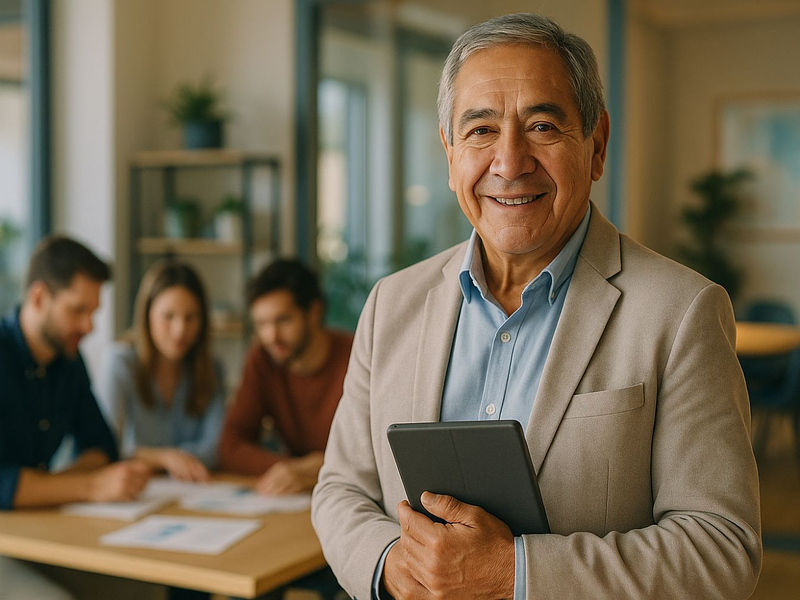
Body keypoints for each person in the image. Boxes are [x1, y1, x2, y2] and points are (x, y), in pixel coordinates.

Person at [311, 13, 761, 600]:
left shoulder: (681, 312)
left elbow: (720, 546)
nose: (509, 161)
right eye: (479, 131)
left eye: (543, 126)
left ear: (596, 146)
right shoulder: (391, 303)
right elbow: (341, 489)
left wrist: (513, 573)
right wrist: (391, 563)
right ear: (450, 155)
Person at [0, 236, 151, 599]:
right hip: (8, 546)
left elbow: (102, 446)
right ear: (39, 297)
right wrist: (91, 486)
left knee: (142, 592)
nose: (89, 326)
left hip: (35, 534)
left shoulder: (68, 362)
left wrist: (47, 487)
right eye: (77, 310)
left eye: (93, 312)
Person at [218, 259, 354, 496]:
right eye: (261, 323)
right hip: (299, 497)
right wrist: (295, 469)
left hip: (351, 495)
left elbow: (381, 453)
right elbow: (230, 446)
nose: (271, 336)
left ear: (314, 312)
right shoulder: (263, 359)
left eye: (283, 320)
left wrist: (323, 467)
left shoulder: (357, 357)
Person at [98, 261, 226, 481]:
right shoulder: (119, 363)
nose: (180, 331)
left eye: (191, 317)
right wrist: (166, 458)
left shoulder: (212, 369)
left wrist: (146, 458)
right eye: (168, 317)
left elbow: (216, 449)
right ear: (147, 317)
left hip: (191, 492)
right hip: (134, 492)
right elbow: (105, 449)